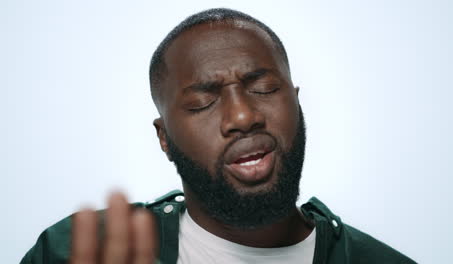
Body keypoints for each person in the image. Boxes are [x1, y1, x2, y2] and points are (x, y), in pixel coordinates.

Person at [21, 8, 416, 264]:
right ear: (164, 138)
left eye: (262, 88)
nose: (243, 116)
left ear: (296, 104)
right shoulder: (77, 252)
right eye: (201, 103)